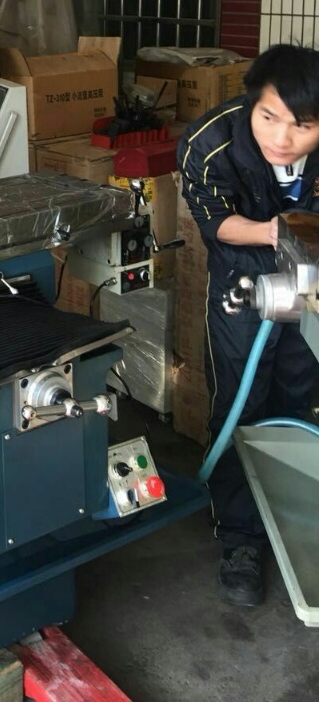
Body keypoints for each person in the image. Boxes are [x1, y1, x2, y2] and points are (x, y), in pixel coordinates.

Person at [177, 44, 319, 607]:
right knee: (240, 403)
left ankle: (293, 521)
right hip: (243, 282)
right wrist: (280, 232)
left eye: (303, 126)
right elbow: (214, 222)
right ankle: (241, 538)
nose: (283, 138)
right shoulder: (210, 142)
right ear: (251, 103)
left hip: (311, 287)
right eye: (270, 117)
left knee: (299, 400)